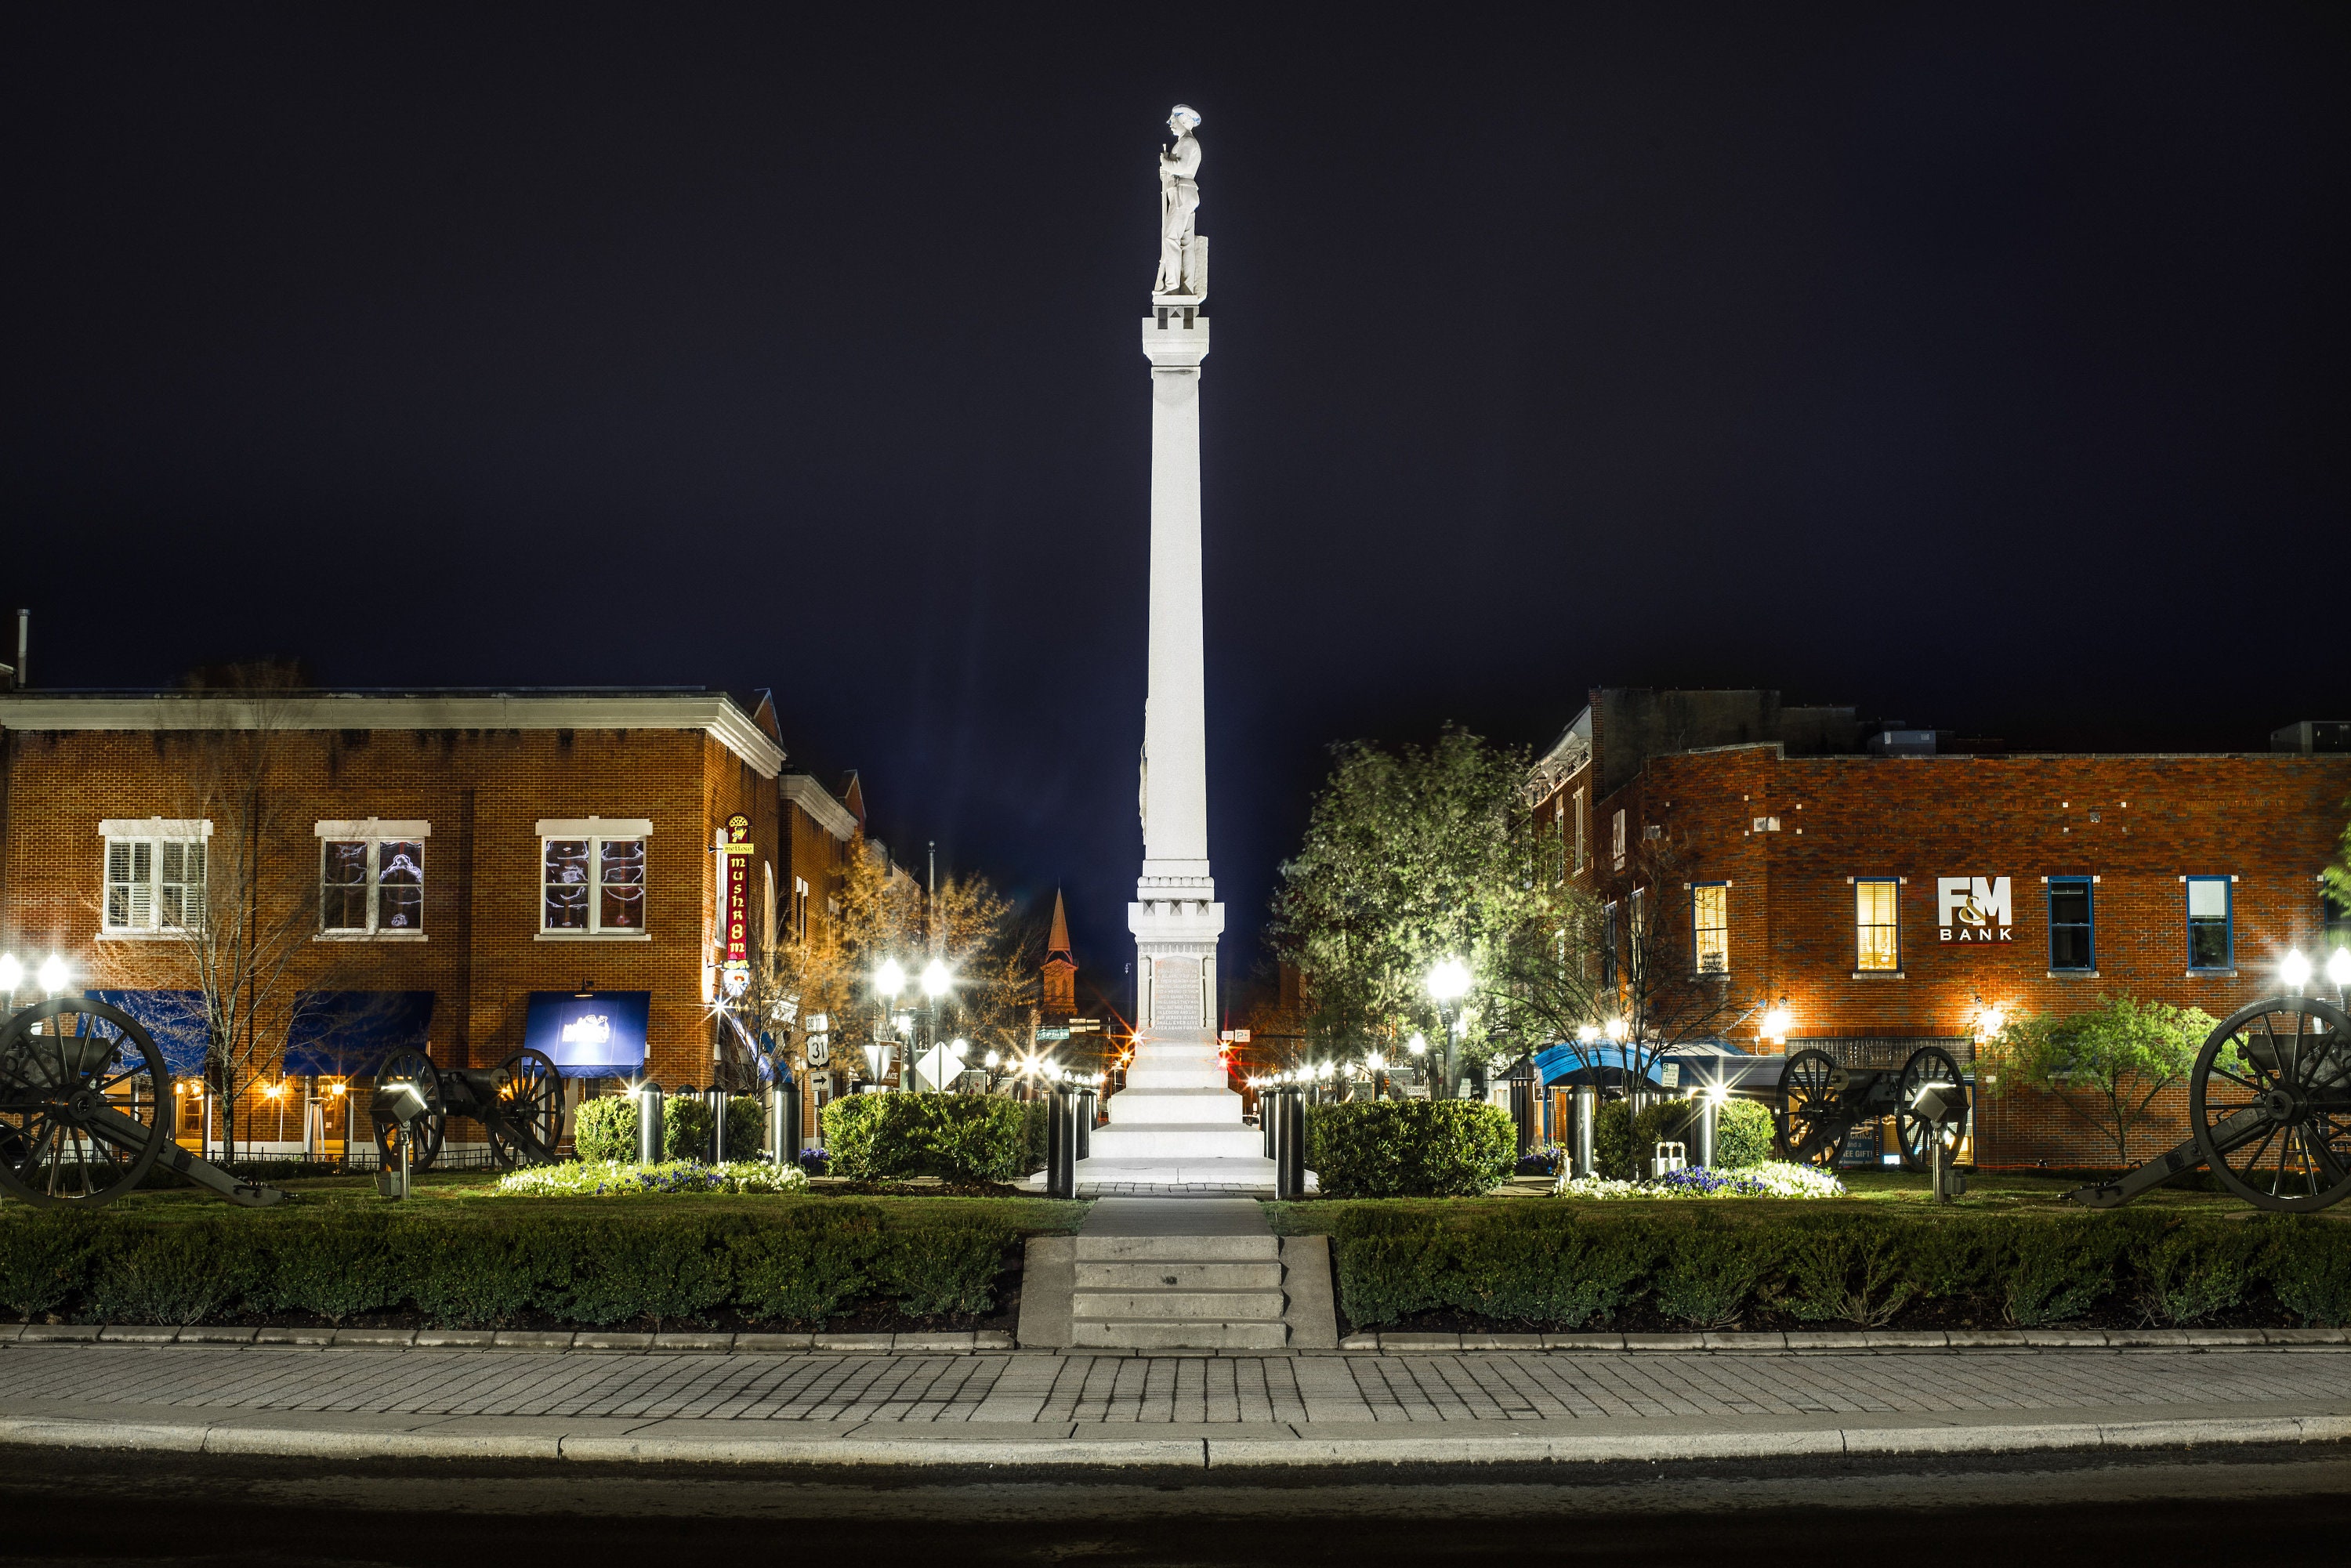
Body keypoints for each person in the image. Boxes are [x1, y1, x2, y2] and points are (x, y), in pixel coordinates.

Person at [1155, 104, 1202, 295]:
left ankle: (1173, 283)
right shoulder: (1186, 142)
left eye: (1173, 121)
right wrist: (1165, 173)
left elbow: (1181, 167)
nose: (1171, 125)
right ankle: (1187, 286)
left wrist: (1165, 162)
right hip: (1184, 191)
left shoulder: (1188, 142)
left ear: (1184, 120)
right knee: (1186, 243)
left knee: (1170, 237)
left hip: (1183, 191)